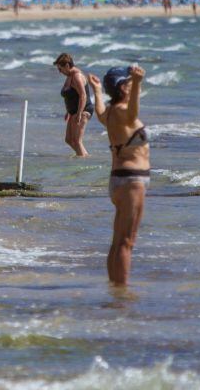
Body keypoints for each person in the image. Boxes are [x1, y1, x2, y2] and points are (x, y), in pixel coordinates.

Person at [87, 65, 150, 286]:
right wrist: (138, 83)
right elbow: (133, 112)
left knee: (118, 241)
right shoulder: (124, 112)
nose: (134, 86)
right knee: (126, 242)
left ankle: (114, 288)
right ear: (123, 87)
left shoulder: (111, 113)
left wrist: (96, 90)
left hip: (119, 180)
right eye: (130, 83)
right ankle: (121, 297)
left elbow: (100, 114)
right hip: (132, 180)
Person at [54, 53, 94, 158]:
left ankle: (83, 162)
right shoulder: (69, 76)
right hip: (74, 111)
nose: (60, 72)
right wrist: (68, 111)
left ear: (67, 66)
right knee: (69, 140)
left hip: (83, 110)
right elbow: (71, 96)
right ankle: (85, 156)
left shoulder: (77, 76)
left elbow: (83, 96)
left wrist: (80, 113)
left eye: (60, 69)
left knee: (77, 141)